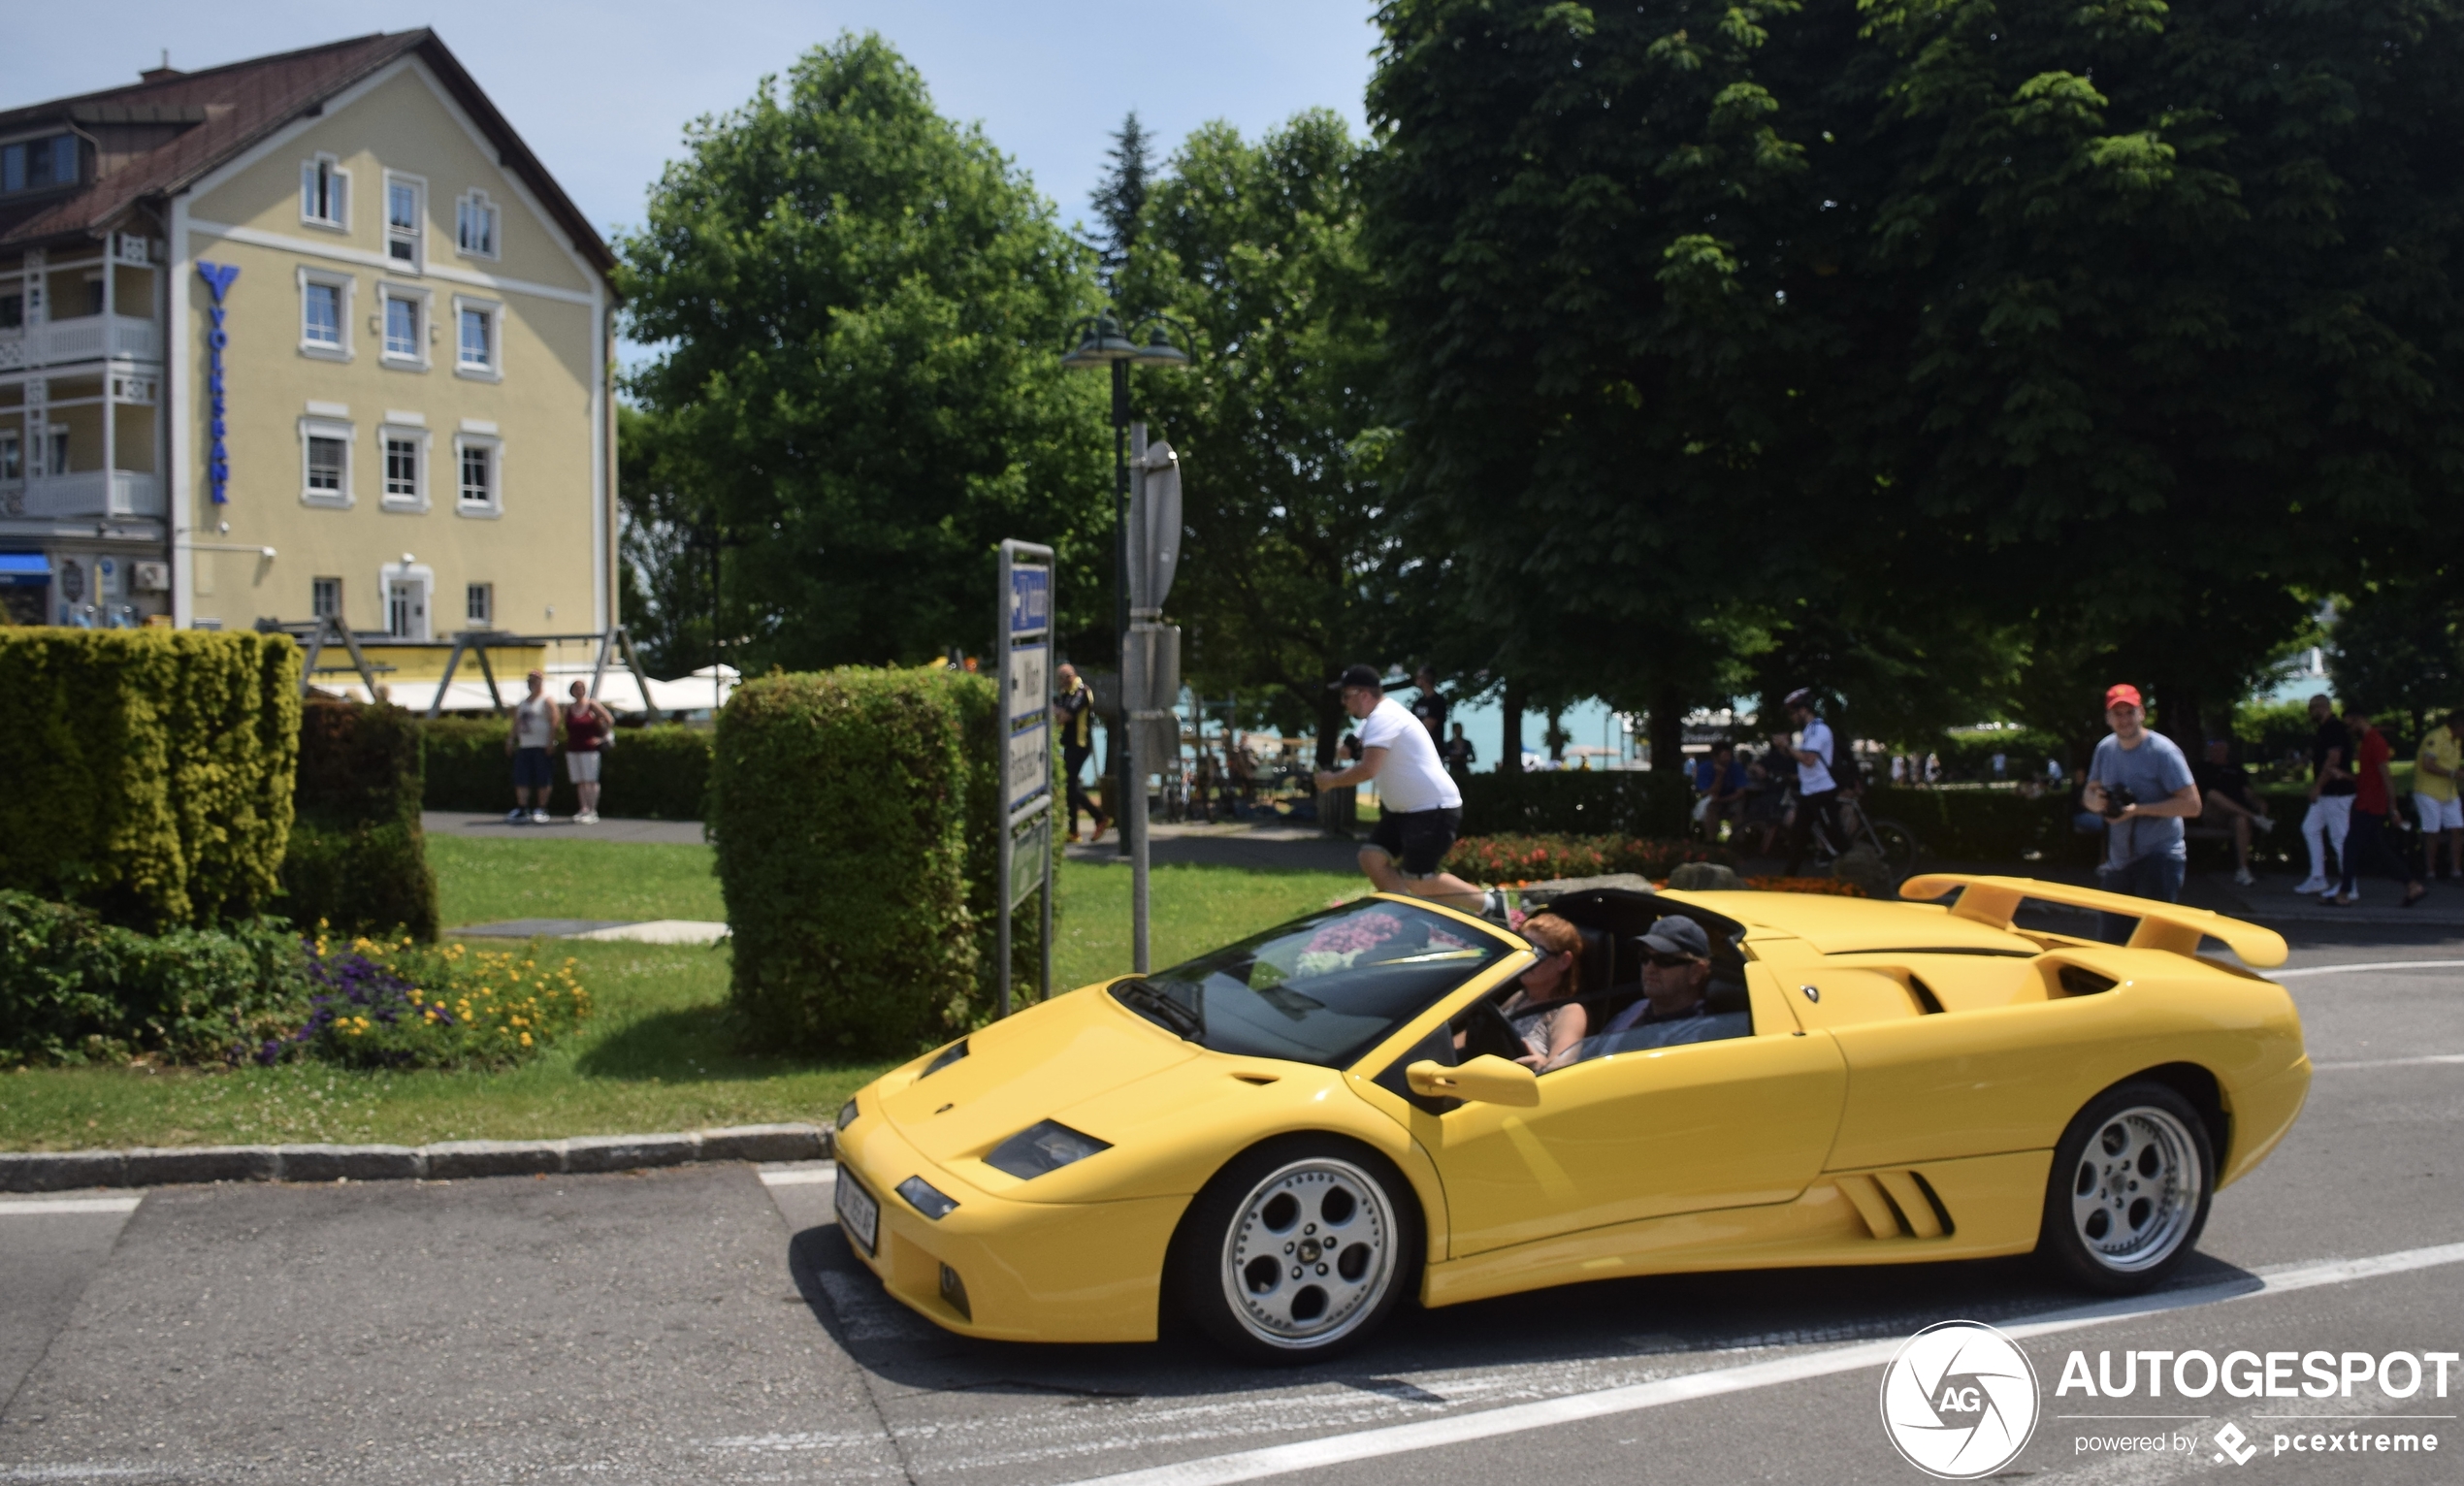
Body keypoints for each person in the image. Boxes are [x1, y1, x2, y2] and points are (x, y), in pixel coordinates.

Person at [1314, 663, 1484, 912]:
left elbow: (1368, 769)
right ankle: (1408, 919)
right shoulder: (1376, 717)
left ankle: (1492, 905)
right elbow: (1350, 745)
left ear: (1363, 695)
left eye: (1345, 695)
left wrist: (1331, 780)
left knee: (1419, 880)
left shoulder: (1385, 717)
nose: (1343, 702)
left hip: (1431, 809)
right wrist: (1350, 747)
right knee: (1372, 858)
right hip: (1405, 811)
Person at [2081, 684, 2200, 942]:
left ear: (2142, 713)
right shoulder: (2105, 749)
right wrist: (2099, 803)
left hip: (2159, 856)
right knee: (2111, 943)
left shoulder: (2162, 751)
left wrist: (2138, 810)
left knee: (2151, 942)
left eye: (2129, 712)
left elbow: (2192, 805)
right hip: (2119, 860)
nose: (2124, 719)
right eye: (2118, 713)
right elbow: (2089, 793)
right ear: (2108, 718)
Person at [2334, 706, 2428, 908]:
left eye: (2349, 724)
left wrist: (2393, 807)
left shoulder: (2375, 743)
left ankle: (2344, 892)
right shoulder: (2369, 742)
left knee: (2352, 847)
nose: (2349, 729)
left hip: (2369, 805)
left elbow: (2386, 777)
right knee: (2378, 850)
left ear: (2357, 719)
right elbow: (2370, 777)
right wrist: (2346, 776)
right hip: (2369, 802)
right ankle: (2411, 884)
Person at [1497, 912, 1588, 1070]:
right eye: (1522, 949)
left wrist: (1541, 1064)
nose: (1525, 959)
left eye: (1536, 952)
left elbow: (1561, 1070)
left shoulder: (1570, 1012)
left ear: (1564, 961)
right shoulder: (1519, 997)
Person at [2191, 738, 2274, 887]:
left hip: (2233, 816)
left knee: (2241, 820)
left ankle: (2243, 869)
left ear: (2226, 752)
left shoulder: (2237, 770)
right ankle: (2256, 819)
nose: (2216, 753)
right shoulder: (2202, 768)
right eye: (2213, 750)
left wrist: (2259, 802)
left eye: (2220, 750)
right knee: (2213, 794)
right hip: (2211, 814)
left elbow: (2247, 792)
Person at [2294, 694, 2354, 895]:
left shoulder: (2334, 728)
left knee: (2339, 837)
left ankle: (2349, 885)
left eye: (2312, 709)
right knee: (2310, 828)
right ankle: (2318, 877)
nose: (2310, 713)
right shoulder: (2325, 729)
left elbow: (2333, 760)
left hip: (2336, 791)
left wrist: (2318, 786)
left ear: (2321, 707)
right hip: (2328, 792)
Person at [1778, 689, 1842, 874]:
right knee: (1798, 837)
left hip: (1821, 791)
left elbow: (1808, 759)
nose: (1791, 717)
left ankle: (1856, 871)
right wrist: (1786, 749)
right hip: (1810, 791)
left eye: (1792, 712)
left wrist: (1787, 746)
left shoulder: (1818, 730)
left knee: (1835, 836)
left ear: (1803, 710)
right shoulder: (1809, 731)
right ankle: (1788, 877)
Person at [1053, 662, 1107, 843]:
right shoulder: (1065, 694)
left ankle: (1099, 817)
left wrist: (1058, 713)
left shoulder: (1082, 692)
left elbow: (1065, 716)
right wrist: (1058, 713)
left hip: (1080, 744)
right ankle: (1073, 831)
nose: (1059, 683)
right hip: (1069, 744)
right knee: (1070, 787)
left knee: (1069, 786)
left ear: (1069, 677)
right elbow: (1058, 716)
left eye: (1061, 679)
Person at [2414, 709, 2463, 882]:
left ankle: (2455, 870)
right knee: (2432, 831)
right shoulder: (2436, 737)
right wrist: (2452, 774)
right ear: (2458, 726)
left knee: (2457, 828)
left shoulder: (2456, 741)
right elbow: (2428, 764)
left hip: (2449, 792)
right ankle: (2430, 871)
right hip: (2428, 791)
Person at [504, 669, 557, 824]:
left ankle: (541, 808)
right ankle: (522, 807)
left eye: (535, 681)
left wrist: (550, 742)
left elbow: (554, 722)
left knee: (543, 778)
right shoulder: (523, 703)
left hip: (541, 745)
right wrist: (510, 740)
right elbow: (516, 723)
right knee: (521, 778)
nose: (532, 684)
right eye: (530, 681)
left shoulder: (546, 701)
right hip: (525, 745)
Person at [563, 681, 613, 824]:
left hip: (589, 749)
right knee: (580, 781)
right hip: (573, 748)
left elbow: (609, 719)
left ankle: (592, 810)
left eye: (581, 688)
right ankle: (583, 808)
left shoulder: (591, 705)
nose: (579, 691)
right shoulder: (569, 708)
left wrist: (602, 738)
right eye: (576, 689)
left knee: (591, 780)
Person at [1692, 740, 1745, 840]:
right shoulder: (1704, 768)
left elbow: (1740, 792)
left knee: (1738, 811)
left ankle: (1738, 841)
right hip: (1712, 800)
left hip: (1731, 799)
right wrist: (1719, 776)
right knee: (1710, 810)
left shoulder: (1736, 767)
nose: (1728, 759)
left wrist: (1722, 800)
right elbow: (1707, 792)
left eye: (1729, 755)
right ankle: (1711, 841)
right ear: (1715, 757)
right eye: (1724, 755)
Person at [1410, 665, 1448, 741]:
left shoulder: (1438, 701)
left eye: (1418, 677)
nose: (1416, 679)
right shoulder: (1419, 702)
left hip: (1434, 749)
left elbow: (1427, 727)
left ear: (1425, 679)